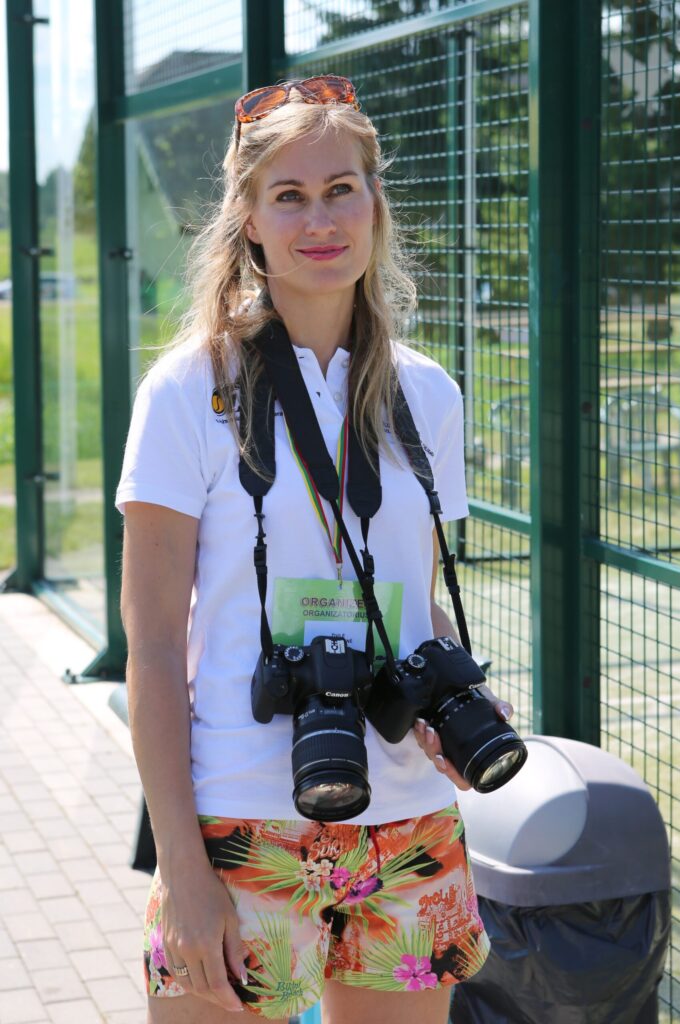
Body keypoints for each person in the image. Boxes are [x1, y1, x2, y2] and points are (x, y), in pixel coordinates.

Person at [116, 75, 514, 1024]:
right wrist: (183, 868)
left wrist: (455, 697)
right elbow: (155, 648)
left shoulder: (429, 393)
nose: (320, 220)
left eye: (341, 189)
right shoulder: (188, 391)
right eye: (288, 196)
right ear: (248, 220)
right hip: (240, 819)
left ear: (375, 202)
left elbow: (412, 599)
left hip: (408, 821)